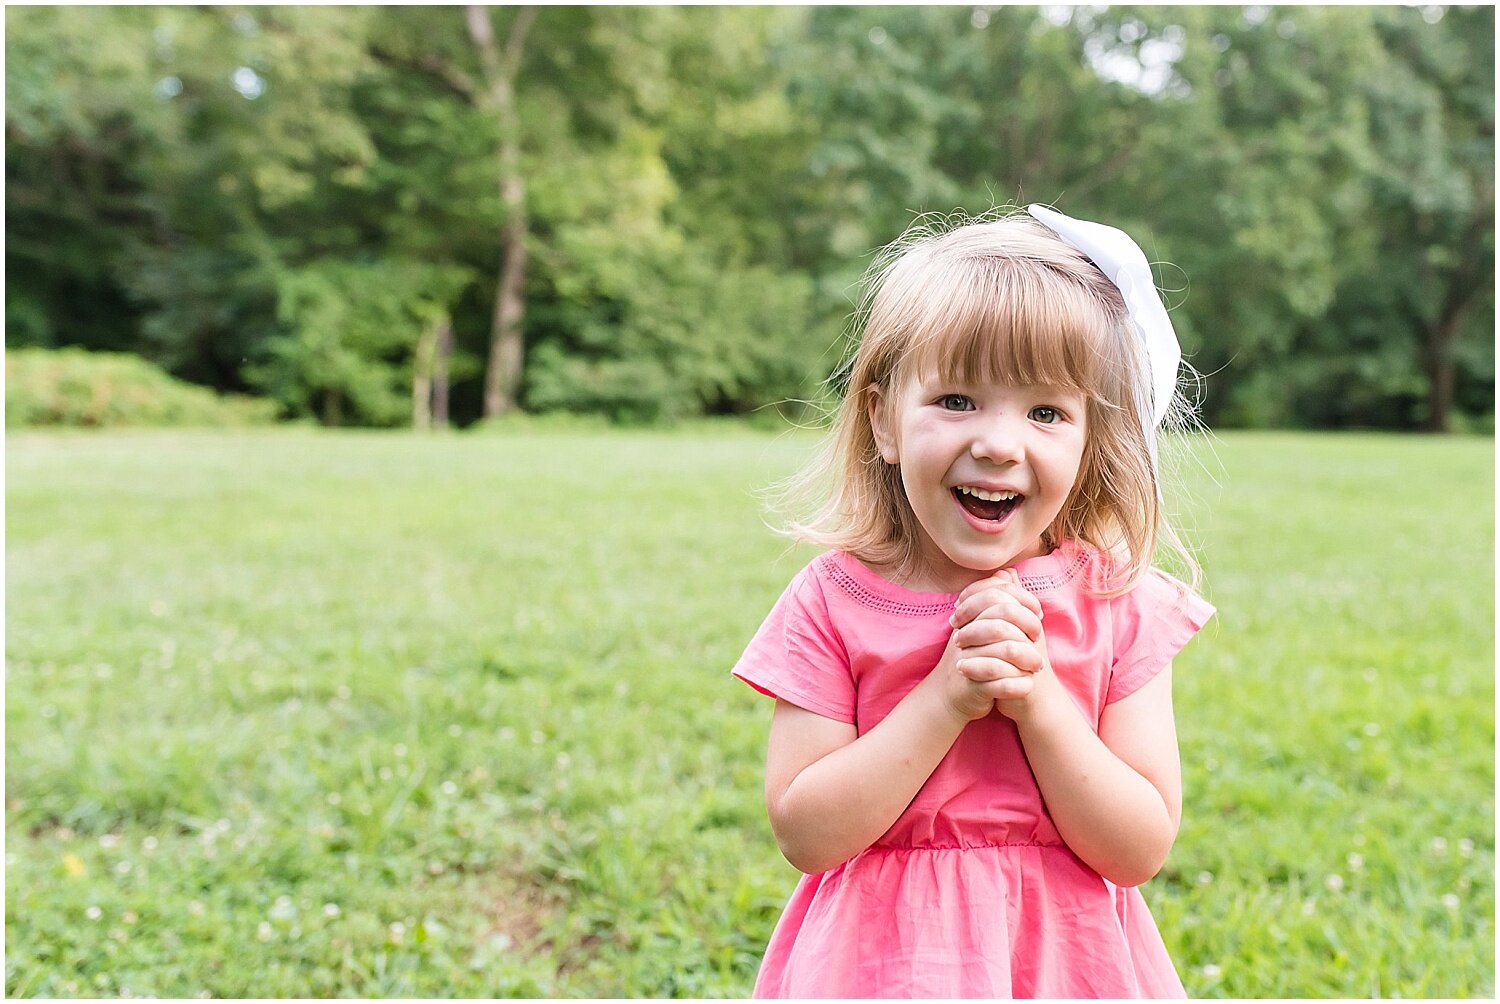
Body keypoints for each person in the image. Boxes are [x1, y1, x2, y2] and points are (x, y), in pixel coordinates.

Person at [731, 205, 1215, 998]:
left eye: (1046, 412)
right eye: (957, 400)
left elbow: (1138, 849)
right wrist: (948, 695)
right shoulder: (832, 600)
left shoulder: (1115, 603)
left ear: (1091, 441)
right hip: (882, 966)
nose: (998, 442)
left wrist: (1041, 702)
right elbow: (807, 833)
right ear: (882, 419)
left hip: (1063, 964)